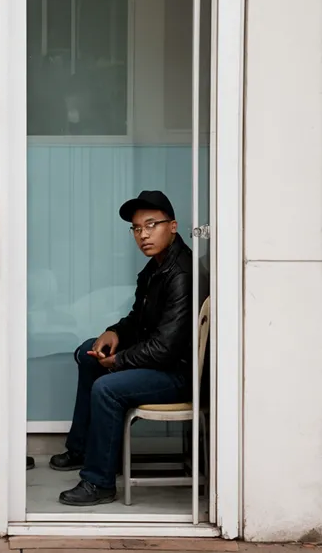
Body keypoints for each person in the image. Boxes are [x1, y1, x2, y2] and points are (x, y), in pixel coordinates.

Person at [49, 190, 194, 506]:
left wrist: (119, 361)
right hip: (161, 361)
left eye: (151, 225)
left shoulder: (180, 274)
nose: (143, 234)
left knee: (107, 388)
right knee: (88, 353)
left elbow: (166, 348)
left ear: (173, 226)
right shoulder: (156, 266)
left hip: (178, 373)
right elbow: (138, 319)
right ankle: (83, 448)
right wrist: (113, 332)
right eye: (137, 228)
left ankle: (99, 482)